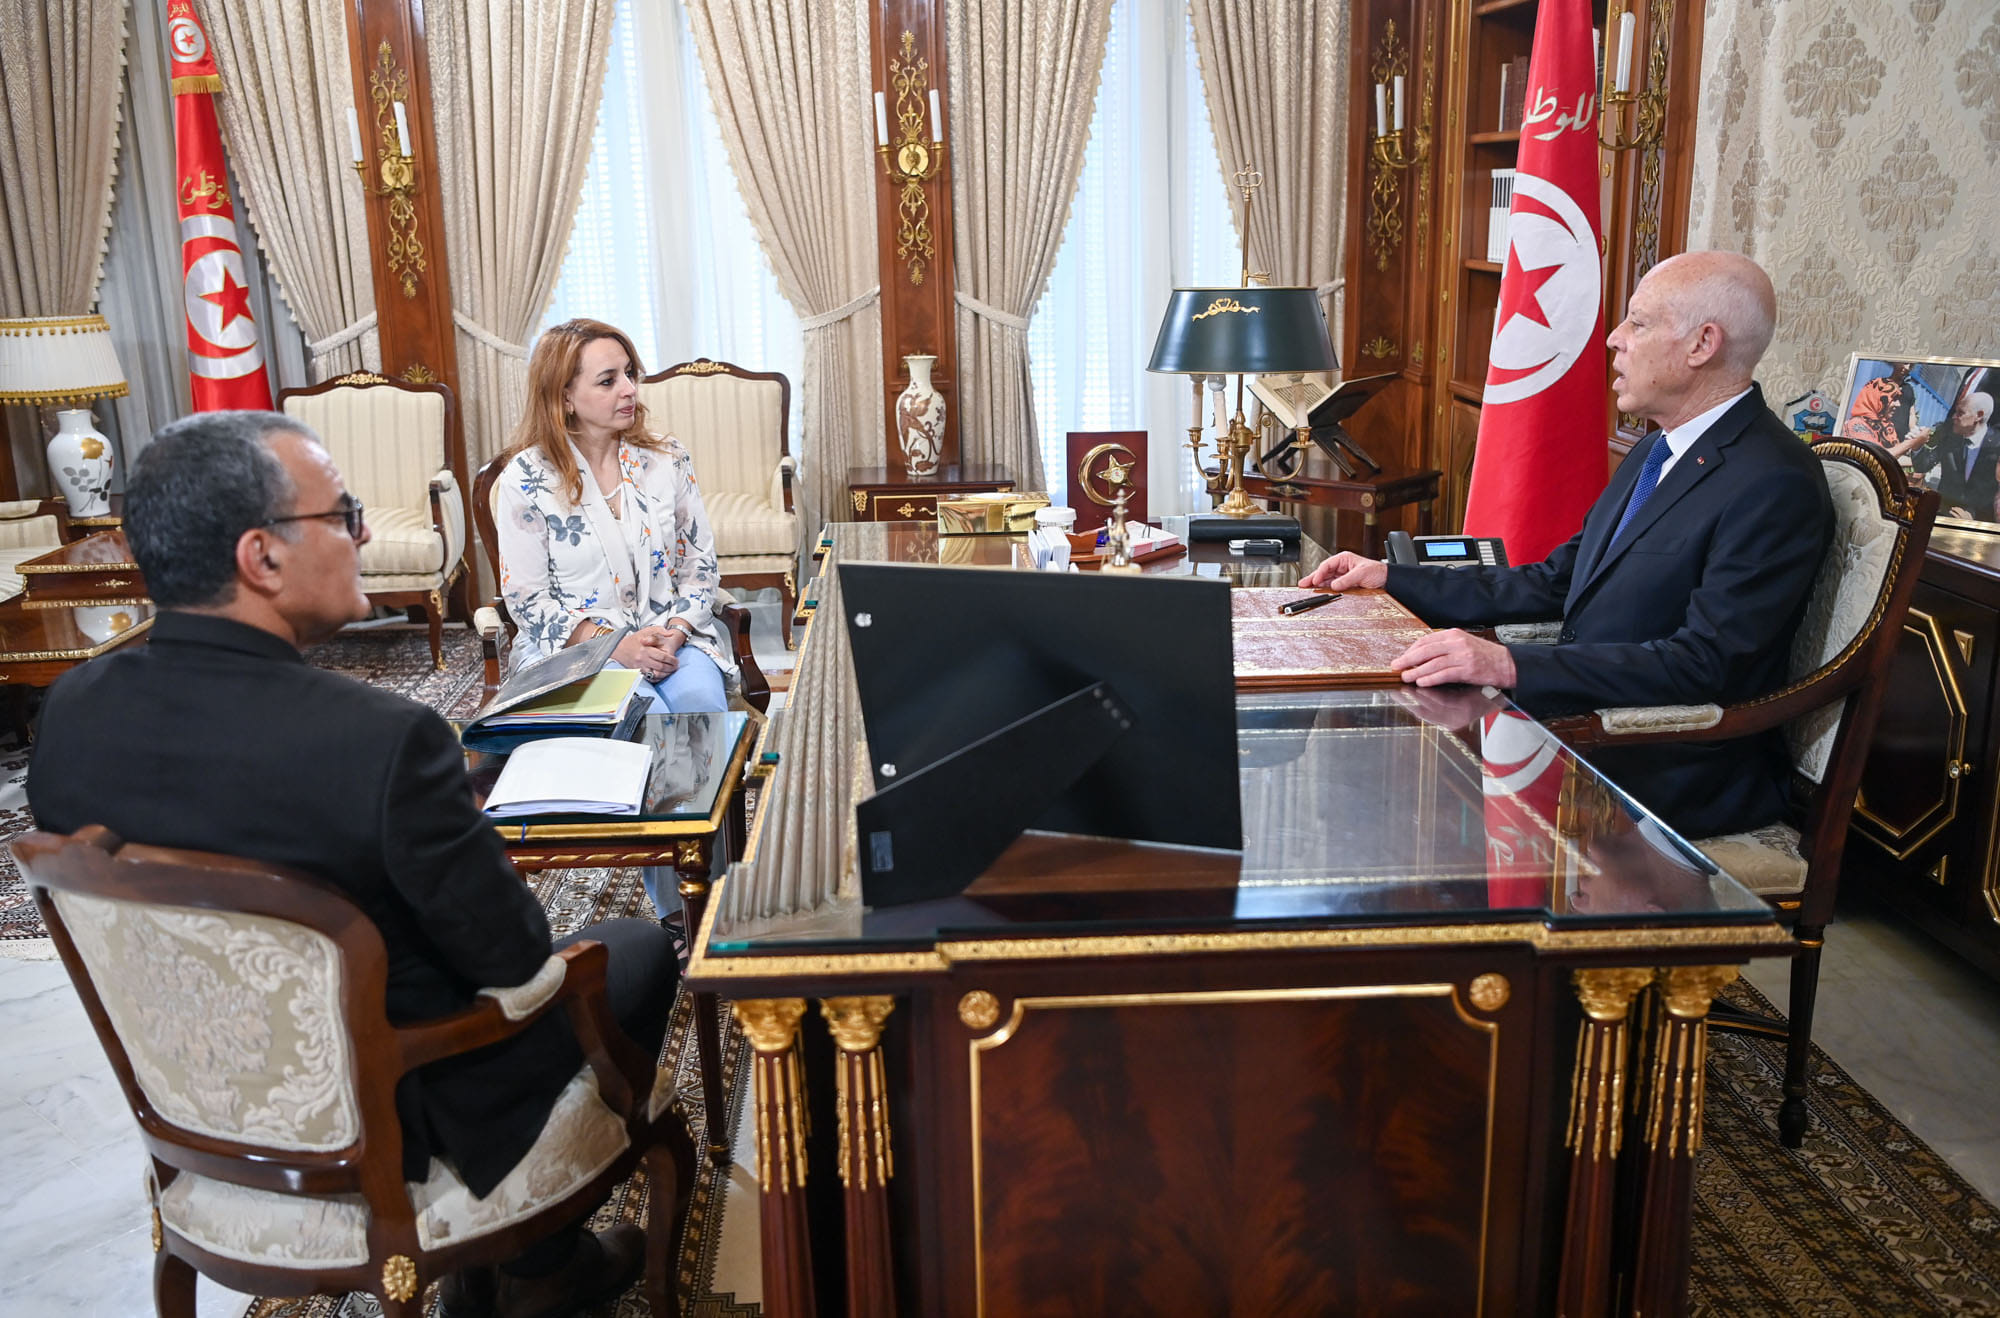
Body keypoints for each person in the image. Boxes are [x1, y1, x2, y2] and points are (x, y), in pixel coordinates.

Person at [29, 411, 673, 1318]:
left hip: (200, 1108)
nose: (364, 536)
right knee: (633, 949)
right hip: (401, 1110)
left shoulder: (70, 712)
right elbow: (516, 958)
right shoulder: (382, 740)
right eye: (344, 515)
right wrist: (455, 823)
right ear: (262, 556)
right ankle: (543, 1272)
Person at [1301, 250, 1834, 839]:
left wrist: (1509, 663)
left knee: (1401, 811)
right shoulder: (1657, 448)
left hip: (1663, 775)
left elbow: (1704, 664)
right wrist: (1393, 578)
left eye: (1638, 322)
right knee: (1380, 776)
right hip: (1577, 728)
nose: (1613, 338)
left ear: (1702, 344)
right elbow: (1558, 579)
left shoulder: (1773, 481)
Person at [494, 318, 735, 714]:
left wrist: (675, 633)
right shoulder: (526, 477)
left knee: (702, 710)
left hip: (672, 639)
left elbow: (699, 567)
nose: (629, 389)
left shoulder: (668, 458)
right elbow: (527, 600)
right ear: (565, 397)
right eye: (608, 381)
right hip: (576, 653)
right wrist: (616, 646)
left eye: (629, 373)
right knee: (642, 718)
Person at [1890, 390, 1999, 518]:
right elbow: (1923, 465)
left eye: (1960, 413)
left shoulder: (1997, 445)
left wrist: (1973, 519)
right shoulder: (1950, 437)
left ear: (1979, 416)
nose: (1953, 417)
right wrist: (1917, 445)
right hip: (1944, 514)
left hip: (1982, 521)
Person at [1842, 361, 1917, 447]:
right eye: (1905, 363)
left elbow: (1912, 414)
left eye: (1911, 366)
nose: (1907, 368)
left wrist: (1914, 434)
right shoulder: (1878, 385)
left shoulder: (1909, 390)